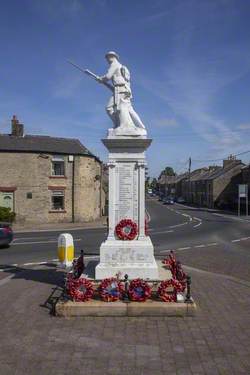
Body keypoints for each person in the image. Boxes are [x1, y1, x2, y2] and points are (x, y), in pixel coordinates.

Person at [98, 51, 146, 130]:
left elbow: (108, 77)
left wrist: (101, 79)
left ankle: (118, 125)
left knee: (109, 108)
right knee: (129, 109)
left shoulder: (114, 64)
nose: (107, 60)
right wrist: (105, 83)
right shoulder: (120, 66)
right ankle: (141, 126)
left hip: (121, 90)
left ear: (112, 57)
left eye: (107, 58)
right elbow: (116, 83)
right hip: (123, 89)